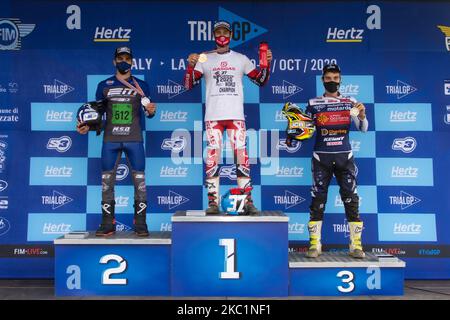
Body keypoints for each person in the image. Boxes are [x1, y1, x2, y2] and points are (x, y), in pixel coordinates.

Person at [183, 20, 272, 215]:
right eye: (218, 31)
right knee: (213, 157)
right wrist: (190, 66)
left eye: (225, 31)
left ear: (230, 35)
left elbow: (261, 80)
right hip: (213, 117)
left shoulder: (241, 59)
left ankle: (247, 201)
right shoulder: (204, 58)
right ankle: (213, 203)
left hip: (235, 116)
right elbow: (189, 85)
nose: (222, 34)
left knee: (241, 157)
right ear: (214, 36)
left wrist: (267, 64)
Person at [76, 46, 156, 237]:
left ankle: (141, 223)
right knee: (107, 183)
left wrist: (152, 111)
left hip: (134, 140)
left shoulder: (141, 86)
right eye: (120, 58)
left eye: (127, 58)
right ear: (114, 61)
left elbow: (149, 111)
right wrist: (88, 126)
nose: (124, 61)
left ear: (132, 62)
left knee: (140, 183)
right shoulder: (104, 85)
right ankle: (107, 223)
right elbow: (98, 114)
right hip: (110, 141)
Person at [300, 63, 368, 258]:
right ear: (323, 80)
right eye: (328, 78)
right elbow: (305, 131)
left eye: (335, 79)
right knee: (317, 200)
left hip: (344, 158)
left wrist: (362, 115)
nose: (332, 82)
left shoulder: (350, 102)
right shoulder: (313, 104)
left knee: (351, 199)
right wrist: (297, 127)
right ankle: (315, 245)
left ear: (340, 80)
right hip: (320, 158)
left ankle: (356, 245)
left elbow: (363, 128)